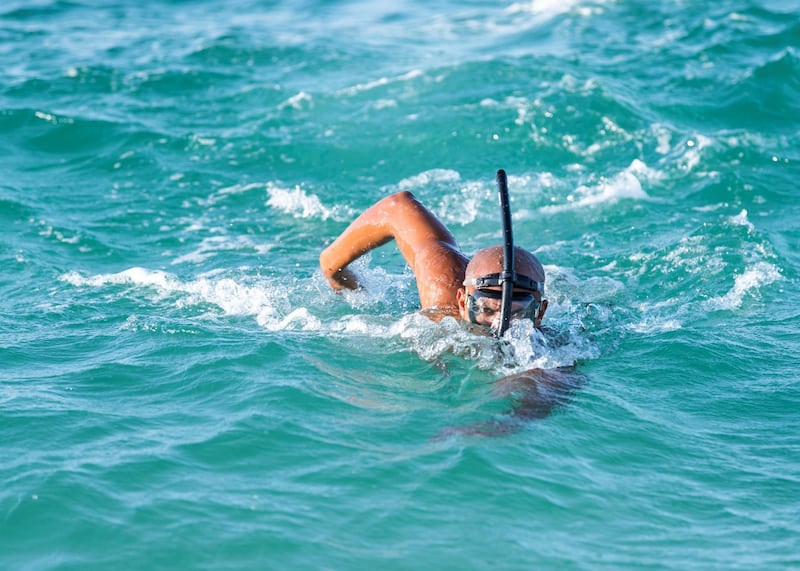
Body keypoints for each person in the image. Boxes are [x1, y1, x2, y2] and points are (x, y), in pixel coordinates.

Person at [319, 190, 580, 436]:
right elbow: (399, 206)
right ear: (462, 301)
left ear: (541, 312)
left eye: (517, 314)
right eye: (487, 309)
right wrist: (333, 269)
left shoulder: (549, 348)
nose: (499, 325)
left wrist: (497, 425)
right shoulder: (441, 293)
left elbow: (545, 384)